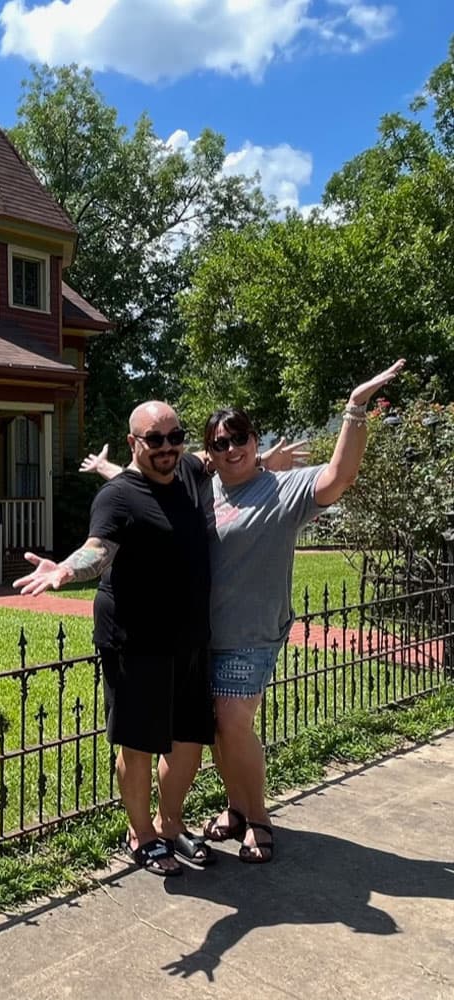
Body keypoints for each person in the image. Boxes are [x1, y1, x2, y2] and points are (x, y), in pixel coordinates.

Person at [81, 360, 406, 864]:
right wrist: (102, 478)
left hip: (248, 633)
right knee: (201, 732)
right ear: (206, 452)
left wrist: (355, 408)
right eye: (219, 443)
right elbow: (139, 494)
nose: (231, 449)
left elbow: (340, 476)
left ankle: (257, 818)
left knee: (230, 722)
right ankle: (202, 818)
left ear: (255, 440)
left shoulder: (284, 489)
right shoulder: (197, 483)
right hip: (193, 636)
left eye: (240, 439)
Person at [13, 401, 213, 876]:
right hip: (135, 637)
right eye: (154, 439)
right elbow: (97, 551)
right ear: (134, 444)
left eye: (174, 436)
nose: (167, 447)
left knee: (188, 741)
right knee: (139, 744)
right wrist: (64, 569)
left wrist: (265, 461)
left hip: (188, 635)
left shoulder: (186, 469)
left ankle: (170, 824)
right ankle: (141, 834)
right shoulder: (118, 497)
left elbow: (214, 457)